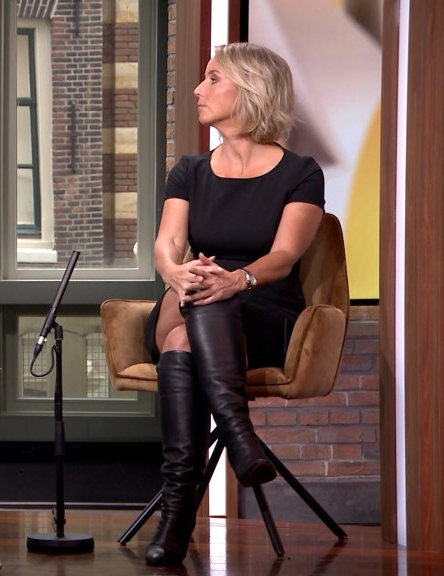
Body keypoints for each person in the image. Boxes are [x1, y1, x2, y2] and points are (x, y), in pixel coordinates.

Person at [143, 42, 324, 566]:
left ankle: (177, 514)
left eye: (213, 78)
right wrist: (176, 272)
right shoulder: (189, 170)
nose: (198, 89)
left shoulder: (301, 173)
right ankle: (240, 438)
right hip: (189, 294)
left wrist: (237, 279)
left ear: (250, 89)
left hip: (263, 310)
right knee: (201, 292)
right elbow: (167, 244)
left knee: (186, 335)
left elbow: (284, 257)